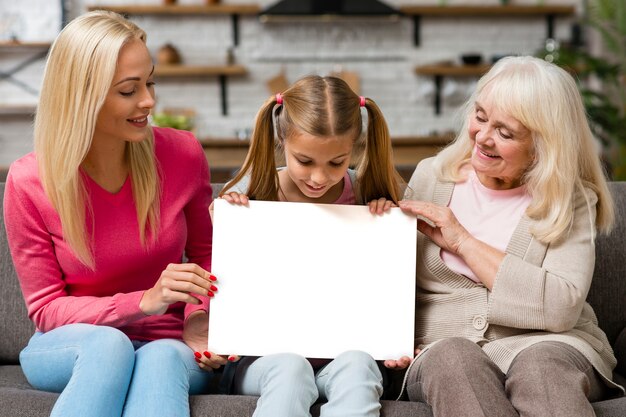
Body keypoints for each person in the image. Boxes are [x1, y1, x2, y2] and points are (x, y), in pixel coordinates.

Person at [3, 10, 233, 417]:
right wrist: (143, 301)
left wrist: (198, 318)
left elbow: (209, 257)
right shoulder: (29, 182)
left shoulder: (181, 155)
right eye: (129, 90)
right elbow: (46, 308)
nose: (149, 101)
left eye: (150, 82)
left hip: (169, 342)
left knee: (160, 358)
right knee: (111, 344)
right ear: (82, 97)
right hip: (70, 342)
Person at [385, 55, 624, 417]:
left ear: (543, 144)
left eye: (505, 133)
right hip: (439, 346)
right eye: (480, 116)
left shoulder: (571, 200)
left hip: (550, 344)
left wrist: (463, 241)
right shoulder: (431, 177)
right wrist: (390, 340)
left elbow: (560, 307)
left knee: (543, 367)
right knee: (453, 358)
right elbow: (391, 278)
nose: (482, 137)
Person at [214, 75, 404, 417]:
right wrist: (225, 224)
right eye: (305, 161)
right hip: (265, 362)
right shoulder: (251, 191)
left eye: (336, 163)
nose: (318, 177)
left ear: (355, 148)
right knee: (291, 369)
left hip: (345, 358)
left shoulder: (368, 193)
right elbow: (220, 280)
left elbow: (395, 292)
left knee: (358, 366)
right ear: (281, 139)